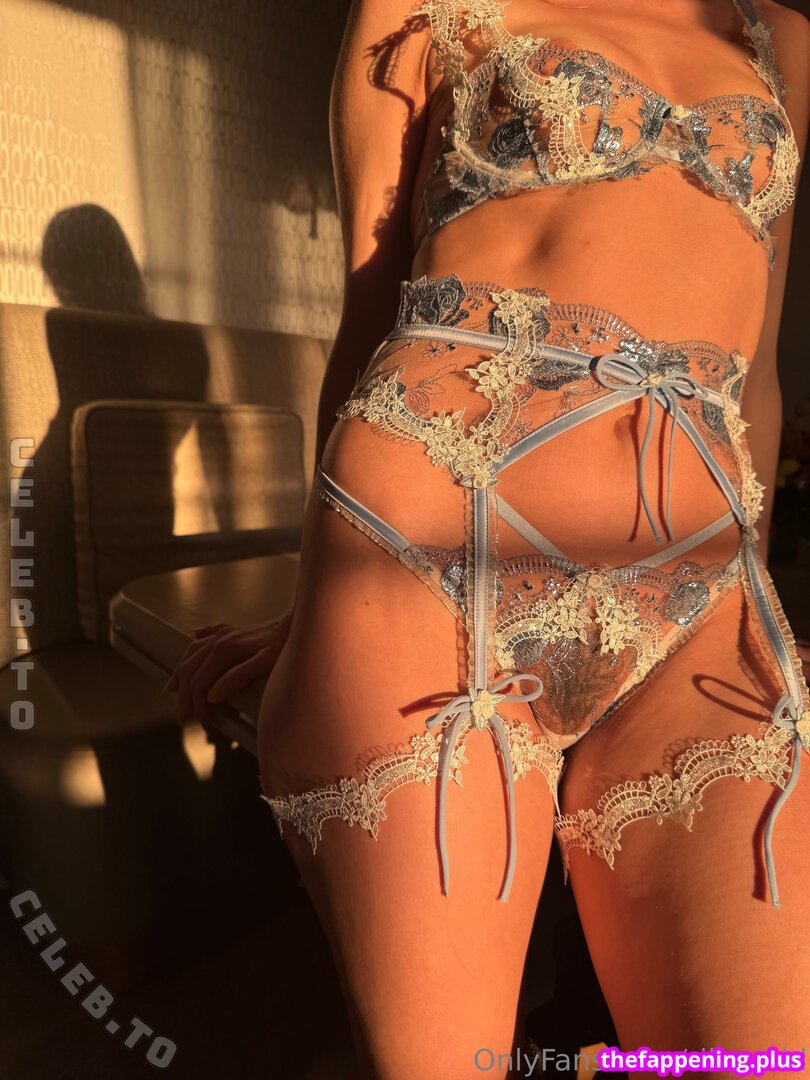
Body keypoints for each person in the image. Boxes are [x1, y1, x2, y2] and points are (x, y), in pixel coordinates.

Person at [166, 1, 810, 1075]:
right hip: (424, 557)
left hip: (697, 597)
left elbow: (760, 376)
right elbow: (368, 310)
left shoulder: (779, 38)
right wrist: (322, 594)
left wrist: (751, 610)